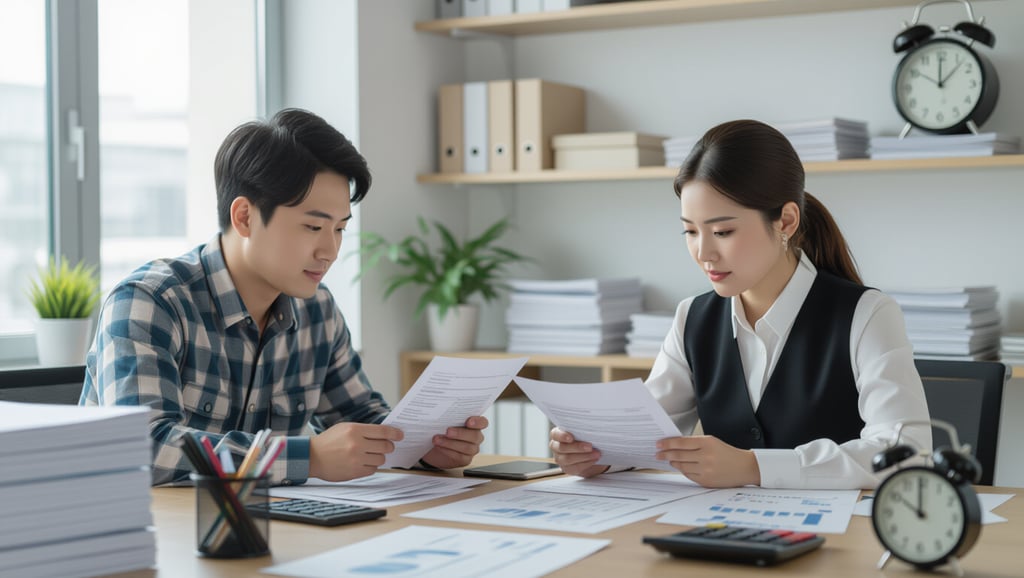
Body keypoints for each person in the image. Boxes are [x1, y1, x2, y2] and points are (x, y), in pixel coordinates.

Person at [81, 109, 487, 486]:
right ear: (245, 217)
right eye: (313, 227)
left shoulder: (318, 310)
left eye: (340, 229)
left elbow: (362, 417)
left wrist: (424, 448)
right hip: (142, 531)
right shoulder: (150, 302)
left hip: (266, 526)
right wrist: (306, 457)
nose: (330, 251)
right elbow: (142, 447)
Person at [550, 119, 932, 490]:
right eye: (690, 231)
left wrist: (753, 466)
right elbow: (647, 432)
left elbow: (907, 453)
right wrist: (598, 454)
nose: (704, 253)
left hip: (843, 529)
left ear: (786, 221)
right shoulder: (691, 319)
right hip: (719, 525)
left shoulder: (867, 315)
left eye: (723, 231)